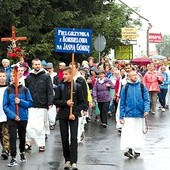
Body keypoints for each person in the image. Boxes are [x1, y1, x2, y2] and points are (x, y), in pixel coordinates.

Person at [53, 67, 86, 170]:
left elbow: (82, 102)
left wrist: (75, 113)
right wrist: (65, 103)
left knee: (73, 138)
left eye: (66, 74)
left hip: (73, 116)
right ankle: (67, 159)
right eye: (64, 74)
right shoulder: (60, 87)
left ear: (72, 75)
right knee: (64, 138)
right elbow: (55, 100)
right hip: (63, 115)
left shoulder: (77, 87)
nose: (64, 76)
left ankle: (74, 161)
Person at [3, 70, 33, 167]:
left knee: (22, 136)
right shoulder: (7, 90)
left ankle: (22, 152)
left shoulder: (25, 90)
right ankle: (13, 157)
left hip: (23, 117)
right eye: (11, 76)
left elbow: (30, 103)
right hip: (12, 118)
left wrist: (20, 101)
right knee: (12, 136)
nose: (12, 78)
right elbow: (5, 106)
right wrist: (13, 115)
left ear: (19, 77)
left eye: (14, 76)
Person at [25, 58, 53, 152]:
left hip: (42, 104)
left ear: (41, 65)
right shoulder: (28, 77)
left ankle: (41, 145)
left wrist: (50, 102)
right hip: (31, 104)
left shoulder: (46, 76)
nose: (37, 66)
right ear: (32, 65)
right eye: (35, 64)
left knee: (40, 127)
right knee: (30, 126)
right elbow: (26, 91)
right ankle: (28, 143)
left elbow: (50, 90)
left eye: (39, 64)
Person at [119, 70, 150, 158]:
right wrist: (121, 116)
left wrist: (146, 109)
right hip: (129, 114)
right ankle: (128, 149)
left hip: (140, 114)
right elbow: (122, 103)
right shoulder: (126, 87)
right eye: (132, 75)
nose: (135, 76)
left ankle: (136, 149)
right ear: (128, 77)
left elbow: (146, 99)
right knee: (128, 132)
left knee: (138, 133)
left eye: (135, 75)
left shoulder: (142, 86)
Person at [0, 70, 10, 160]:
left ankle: (6, 150)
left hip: (5, 114)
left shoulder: (8, 88)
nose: (2, 78)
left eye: (3, 76)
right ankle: (5, 147)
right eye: (0, 76)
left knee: (5, 133)